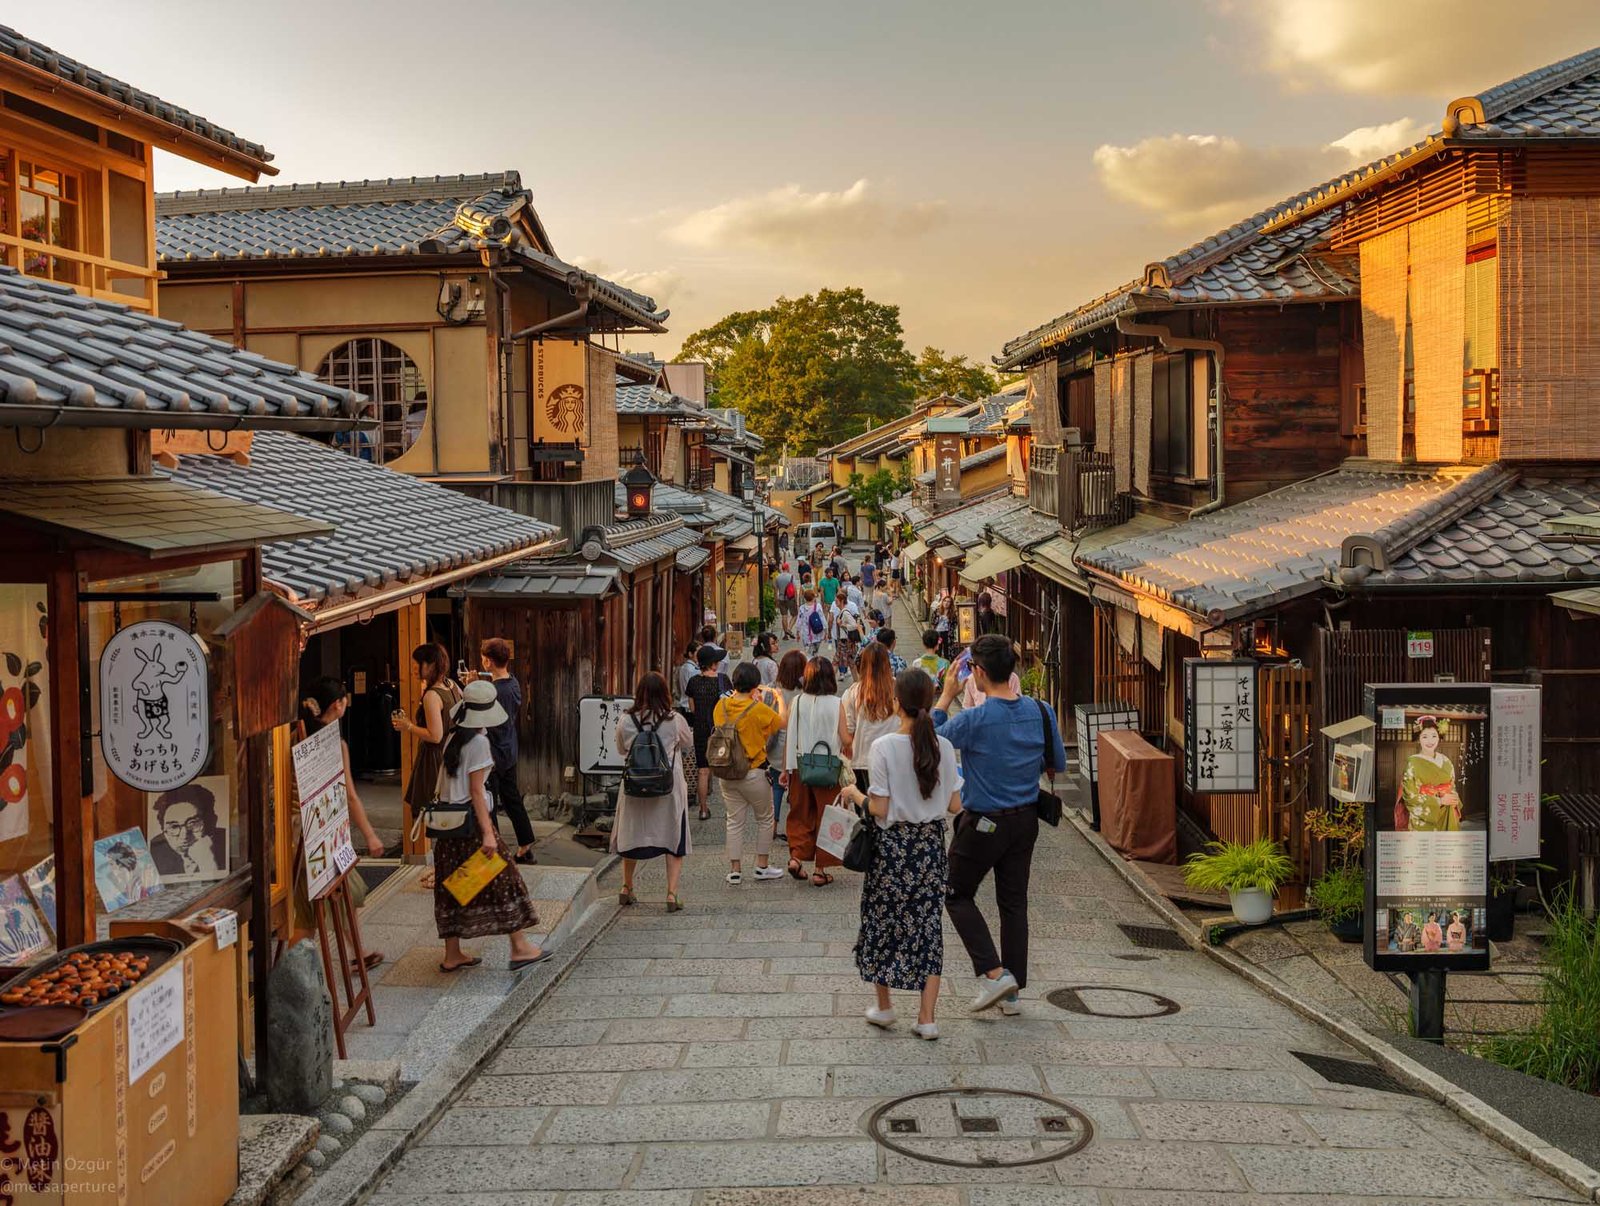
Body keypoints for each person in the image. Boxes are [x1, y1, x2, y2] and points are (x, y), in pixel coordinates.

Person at [934, 633, 1066, 1014]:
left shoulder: (974, 719)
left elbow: (928, 741)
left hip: (984, 821)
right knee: (1013, 903)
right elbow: (1055, 761)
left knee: (956, 893)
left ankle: (995, 974)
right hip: (1025, 819)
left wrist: (944, 697)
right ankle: (1010, 992)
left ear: (977, 672)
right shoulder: (1042, 711)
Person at [838, 669, 963, 1040]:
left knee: (881, 920)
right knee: (928, 926)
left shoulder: (884, 748)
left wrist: (852, 794)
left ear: (897, 703)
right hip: (929, 849)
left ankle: (885, 1005)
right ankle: (927, 1017)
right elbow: (955, 804)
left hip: (892, 849)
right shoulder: (943, 746)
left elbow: (878, 807)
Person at [431, 680, 547, 972]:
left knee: (454, 887)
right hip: (472, 826)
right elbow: (475, 791)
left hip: (450, 828)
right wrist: (488, 833)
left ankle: (452, 953)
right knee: (504, 882)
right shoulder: (480, 743)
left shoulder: (453, 738)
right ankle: (520, 947)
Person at [614, 672, 693, 911]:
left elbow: (620, 749)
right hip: (667, 788)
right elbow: (688, 743)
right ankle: (671, 894)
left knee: (633, 832)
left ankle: (627, 887)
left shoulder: (625, 720)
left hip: (635, 786)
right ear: (665, 693)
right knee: (673, 838)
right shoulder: (674, 720)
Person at [394, 642, 463, 885]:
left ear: (430, 665)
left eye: (417, 664)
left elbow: (435, 735)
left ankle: (442, 872)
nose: (414, 669)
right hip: (453, 756)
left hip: (435, 759)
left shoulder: (433, 695)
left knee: (436, 816)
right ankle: (445, 868)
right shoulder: (453, 685)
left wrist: (408, 726)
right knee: (446, 815)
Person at [712, 662, 787, 885]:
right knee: (764, 818)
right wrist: (779, 699)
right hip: (753, 771)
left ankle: (735, 870)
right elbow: (782, 722)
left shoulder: (721, 705)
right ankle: (761, 866)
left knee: (734, 821)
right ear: (755, 685)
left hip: (727, 771)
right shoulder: (758, 709)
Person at [783, 656, 844, 887]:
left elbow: (791, 735)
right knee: (827, 815)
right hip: (828, 769)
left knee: (800, 813)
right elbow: (845, 738)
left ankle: (796, 857)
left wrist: (785, 769)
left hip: (800, 766)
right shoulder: (836, 703)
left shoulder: (797, 701)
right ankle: (820, 869)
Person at [477, 638, 537, 865]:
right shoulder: (512, 683)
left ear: (488, 661)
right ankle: (525, 844)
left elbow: (480, 718)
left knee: (489, 802)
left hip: (492, 752)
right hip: (508, 748)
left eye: (484, 658)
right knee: (512, 799)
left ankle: (495, 853)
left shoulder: (493, 691)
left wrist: (473, 688)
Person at [841, 643, 900, 792]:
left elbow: (848, 731)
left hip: (863, 760)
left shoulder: (854, 692)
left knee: (866, 808)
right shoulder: (899, 688)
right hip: (895, 759)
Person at [684, 645, 729, 821]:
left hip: (701, 729)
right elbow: (729, 705)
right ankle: (729, 810)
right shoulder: (723, 680)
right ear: (713, 664)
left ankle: (703, 810)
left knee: (702, 770)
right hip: (719, 730)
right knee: (724, 770)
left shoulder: (693, 682)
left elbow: (692, 708)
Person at [149, 782, 230, 879]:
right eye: (174, 827)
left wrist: (208, 862)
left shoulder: (228, 842)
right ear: (164, 831)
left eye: (193, 823)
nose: (184, 835)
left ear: (210, 823)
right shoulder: (154, 851)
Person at [1398, 715, 1461, 832]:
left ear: (1439, 738)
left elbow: (1452, 786)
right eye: (1425, 736)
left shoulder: (1446, 761)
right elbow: (1409, 796)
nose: (1430, 741)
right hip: (1423, 819)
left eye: (1434, 736)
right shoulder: (1412, 762)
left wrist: (1454, 797)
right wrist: (1439, 801)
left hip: (1447, 814)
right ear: (1418, 739)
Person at [768, 650, 806, 826]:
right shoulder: (805, 693)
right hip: (798, 745)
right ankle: (795, 824)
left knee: (776, 785)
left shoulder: (773, 690)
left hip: (776, 746)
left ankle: (773, 825)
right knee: (796, 788)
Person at [798, 588, 827, 657]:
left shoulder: (802, 608)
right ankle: (815, 663)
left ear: (804, 598)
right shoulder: (818, 606)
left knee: (809, 654)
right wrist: (826, 631)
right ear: (814, 597)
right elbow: (823, 619)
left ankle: (811, 664)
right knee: (815, 653)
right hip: (817, 634)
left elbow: (799, 621)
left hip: (806, 635)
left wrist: (797, 632)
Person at [775, 563, 798, 639]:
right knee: (794, 615)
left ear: (782, 568)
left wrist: (776, 600)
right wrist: (796, 599)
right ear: (788, 568)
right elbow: (794, 589)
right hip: (790, 598)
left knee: (784, 616)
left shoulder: (777, 577)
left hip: (781, 598)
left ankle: (785, 635)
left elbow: (775, 590)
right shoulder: (791, 577)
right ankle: (789, 629)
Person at [818, 564, 841, 635]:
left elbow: (839, 590)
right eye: (830, 573)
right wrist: (822, 602)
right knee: (824, 618)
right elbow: (822, 592)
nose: (832, 574)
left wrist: (838, 600)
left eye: (832, 573)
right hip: (826, 602)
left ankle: (831, 631)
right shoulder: (822, 581)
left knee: (833, 618)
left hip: (834, 603)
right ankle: (825, 631)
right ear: (826, 574)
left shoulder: (835, 580)